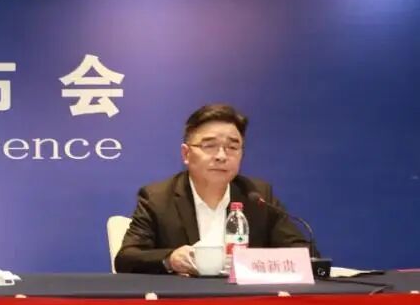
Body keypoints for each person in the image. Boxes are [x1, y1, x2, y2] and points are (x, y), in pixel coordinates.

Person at [114, 103, 311, 275]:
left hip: (244, 300)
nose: (221, 156)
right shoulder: (157, 198)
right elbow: (126, 258)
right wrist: (170, 259)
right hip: (185, 301)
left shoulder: (257, 195)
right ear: (186, 154)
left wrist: (254, 263)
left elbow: (304, 253)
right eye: (210, 146)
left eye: (232, 147)